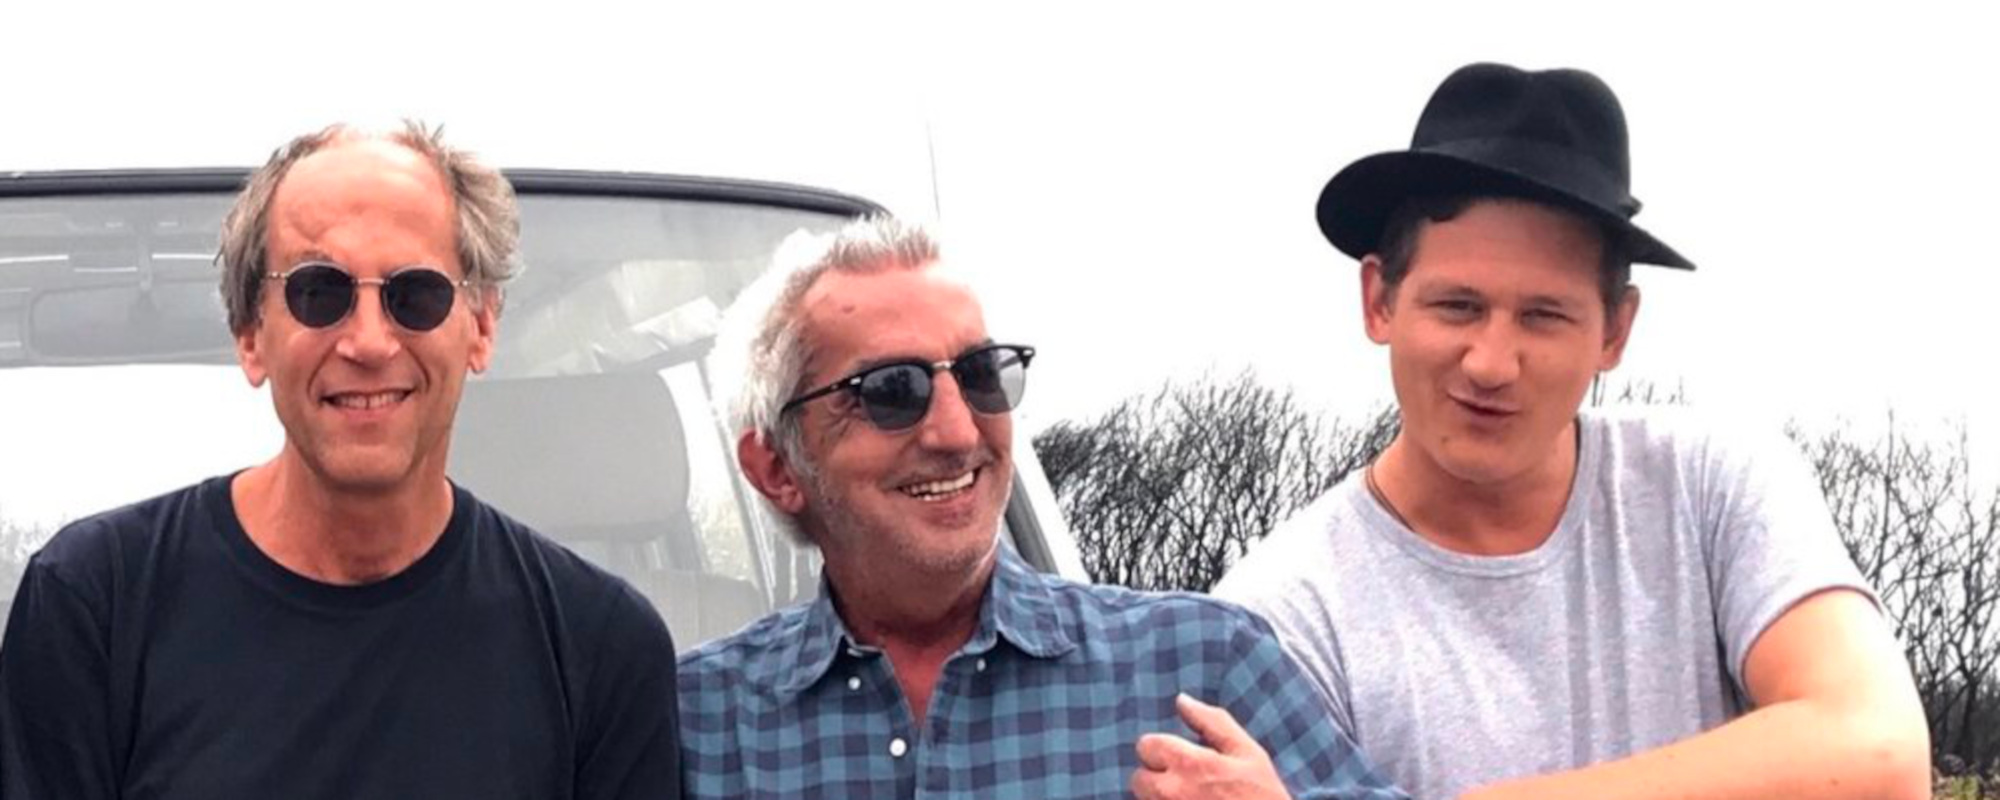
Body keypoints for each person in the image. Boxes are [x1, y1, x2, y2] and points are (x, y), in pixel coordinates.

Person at [1213, 62, 1930, 799]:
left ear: (1615, 331)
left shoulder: (1710, 484)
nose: (1491, 363)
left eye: (1543, 316)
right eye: (1457, 306)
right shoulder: (1282, 617)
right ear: (1378, 301)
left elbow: (1880, 756)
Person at [0, 122, 681, 799]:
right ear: (250, 333)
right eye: (318, 292)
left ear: (480, 325)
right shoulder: (95, 607)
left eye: (416, 294)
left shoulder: (602, 651)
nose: (369, 342)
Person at [676, 216, 1405, 800]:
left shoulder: (1204, 664)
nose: (958, 431)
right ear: (777, 469)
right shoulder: (695, 725)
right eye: (892, 391)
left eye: (979, 374)